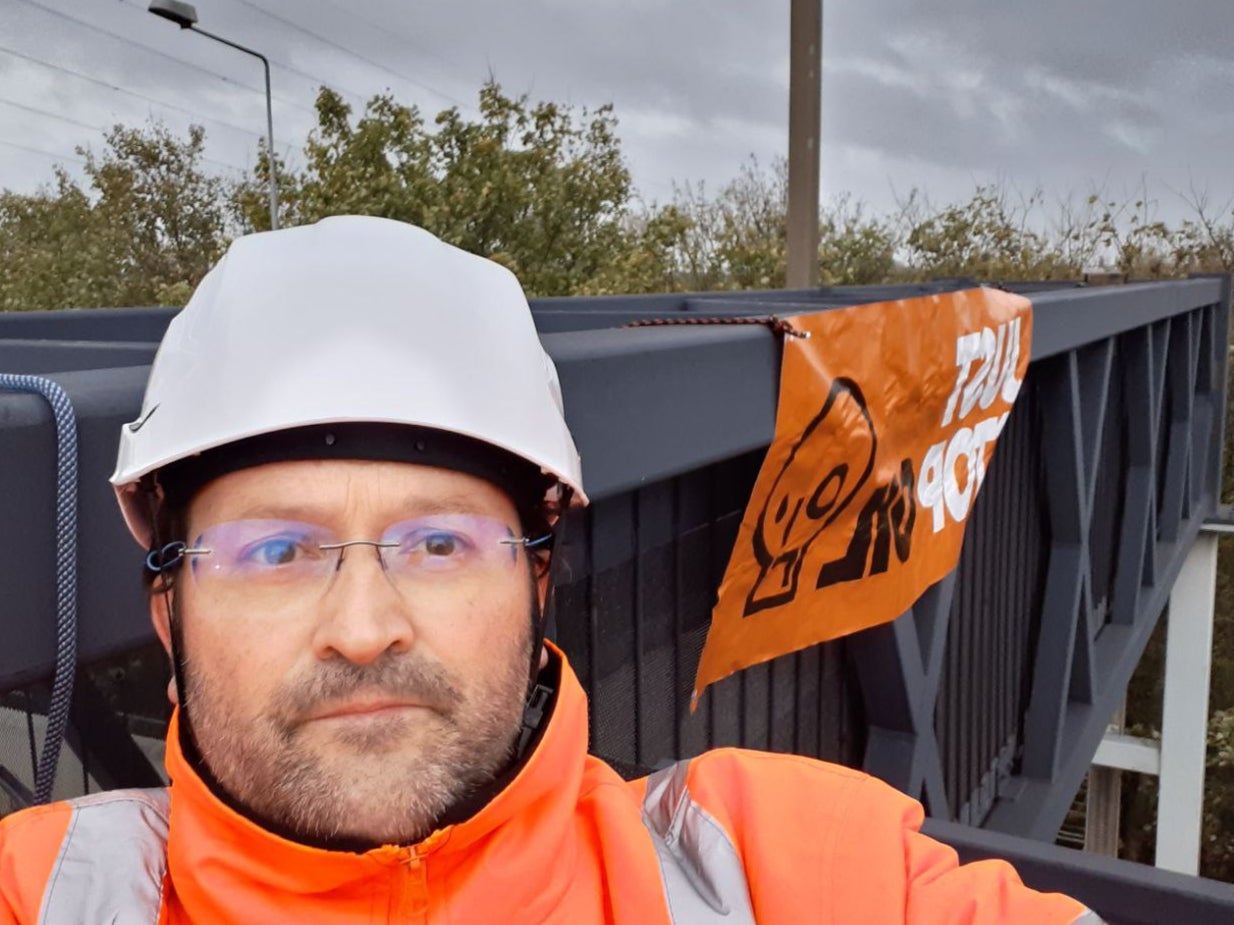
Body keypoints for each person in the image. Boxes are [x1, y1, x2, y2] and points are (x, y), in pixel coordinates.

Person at [0, 216, 1100, 923]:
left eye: (438, 542)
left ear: (536, 582)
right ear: (169, 603)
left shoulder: (784, 869)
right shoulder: (40, 891)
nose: (364, 624)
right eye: (276, 550)